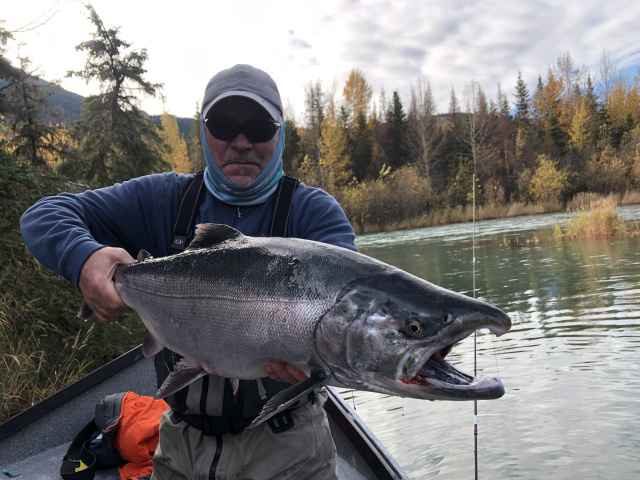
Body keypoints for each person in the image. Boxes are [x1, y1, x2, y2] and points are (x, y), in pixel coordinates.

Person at [20, 64, 357, 480]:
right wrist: (83, 259)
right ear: (203, 130)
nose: (240, 142)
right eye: (223, 125)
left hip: (289, 446)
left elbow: (350, 311)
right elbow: (44, 214)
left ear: (279, 132)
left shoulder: (314, 214)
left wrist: (319, 360)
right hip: (179, 442)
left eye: (258, 127)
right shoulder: (165, 197)